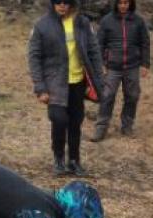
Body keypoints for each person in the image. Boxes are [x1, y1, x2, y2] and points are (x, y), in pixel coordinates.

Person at [28, 0, 103, 177]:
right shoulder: (42, 25)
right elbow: (34, 57)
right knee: (59, 119)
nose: (62, 6)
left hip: (78, 82)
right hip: (55, 83)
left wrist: (97, 78)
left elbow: (93, 51)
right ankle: (59, 158)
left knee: (76, 122)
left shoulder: (82, 23)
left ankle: (74, 161)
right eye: (58, 2)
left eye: (66, 2)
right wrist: (40, 88)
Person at [89, 0, 150, 142]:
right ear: (116, 3)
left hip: (132, 66)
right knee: (107, 96)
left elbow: (145, 43)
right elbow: (99, 44)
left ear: (130, 4)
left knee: (132, 96)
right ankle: (101, 127)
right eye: (120, 2)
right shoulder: (107, 20)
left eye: (126, 3)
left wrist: (145, 64)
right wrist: (100, 64)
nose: (123, 5)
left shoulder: (138, 21)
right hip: (112, 67)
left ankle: (127, 126)